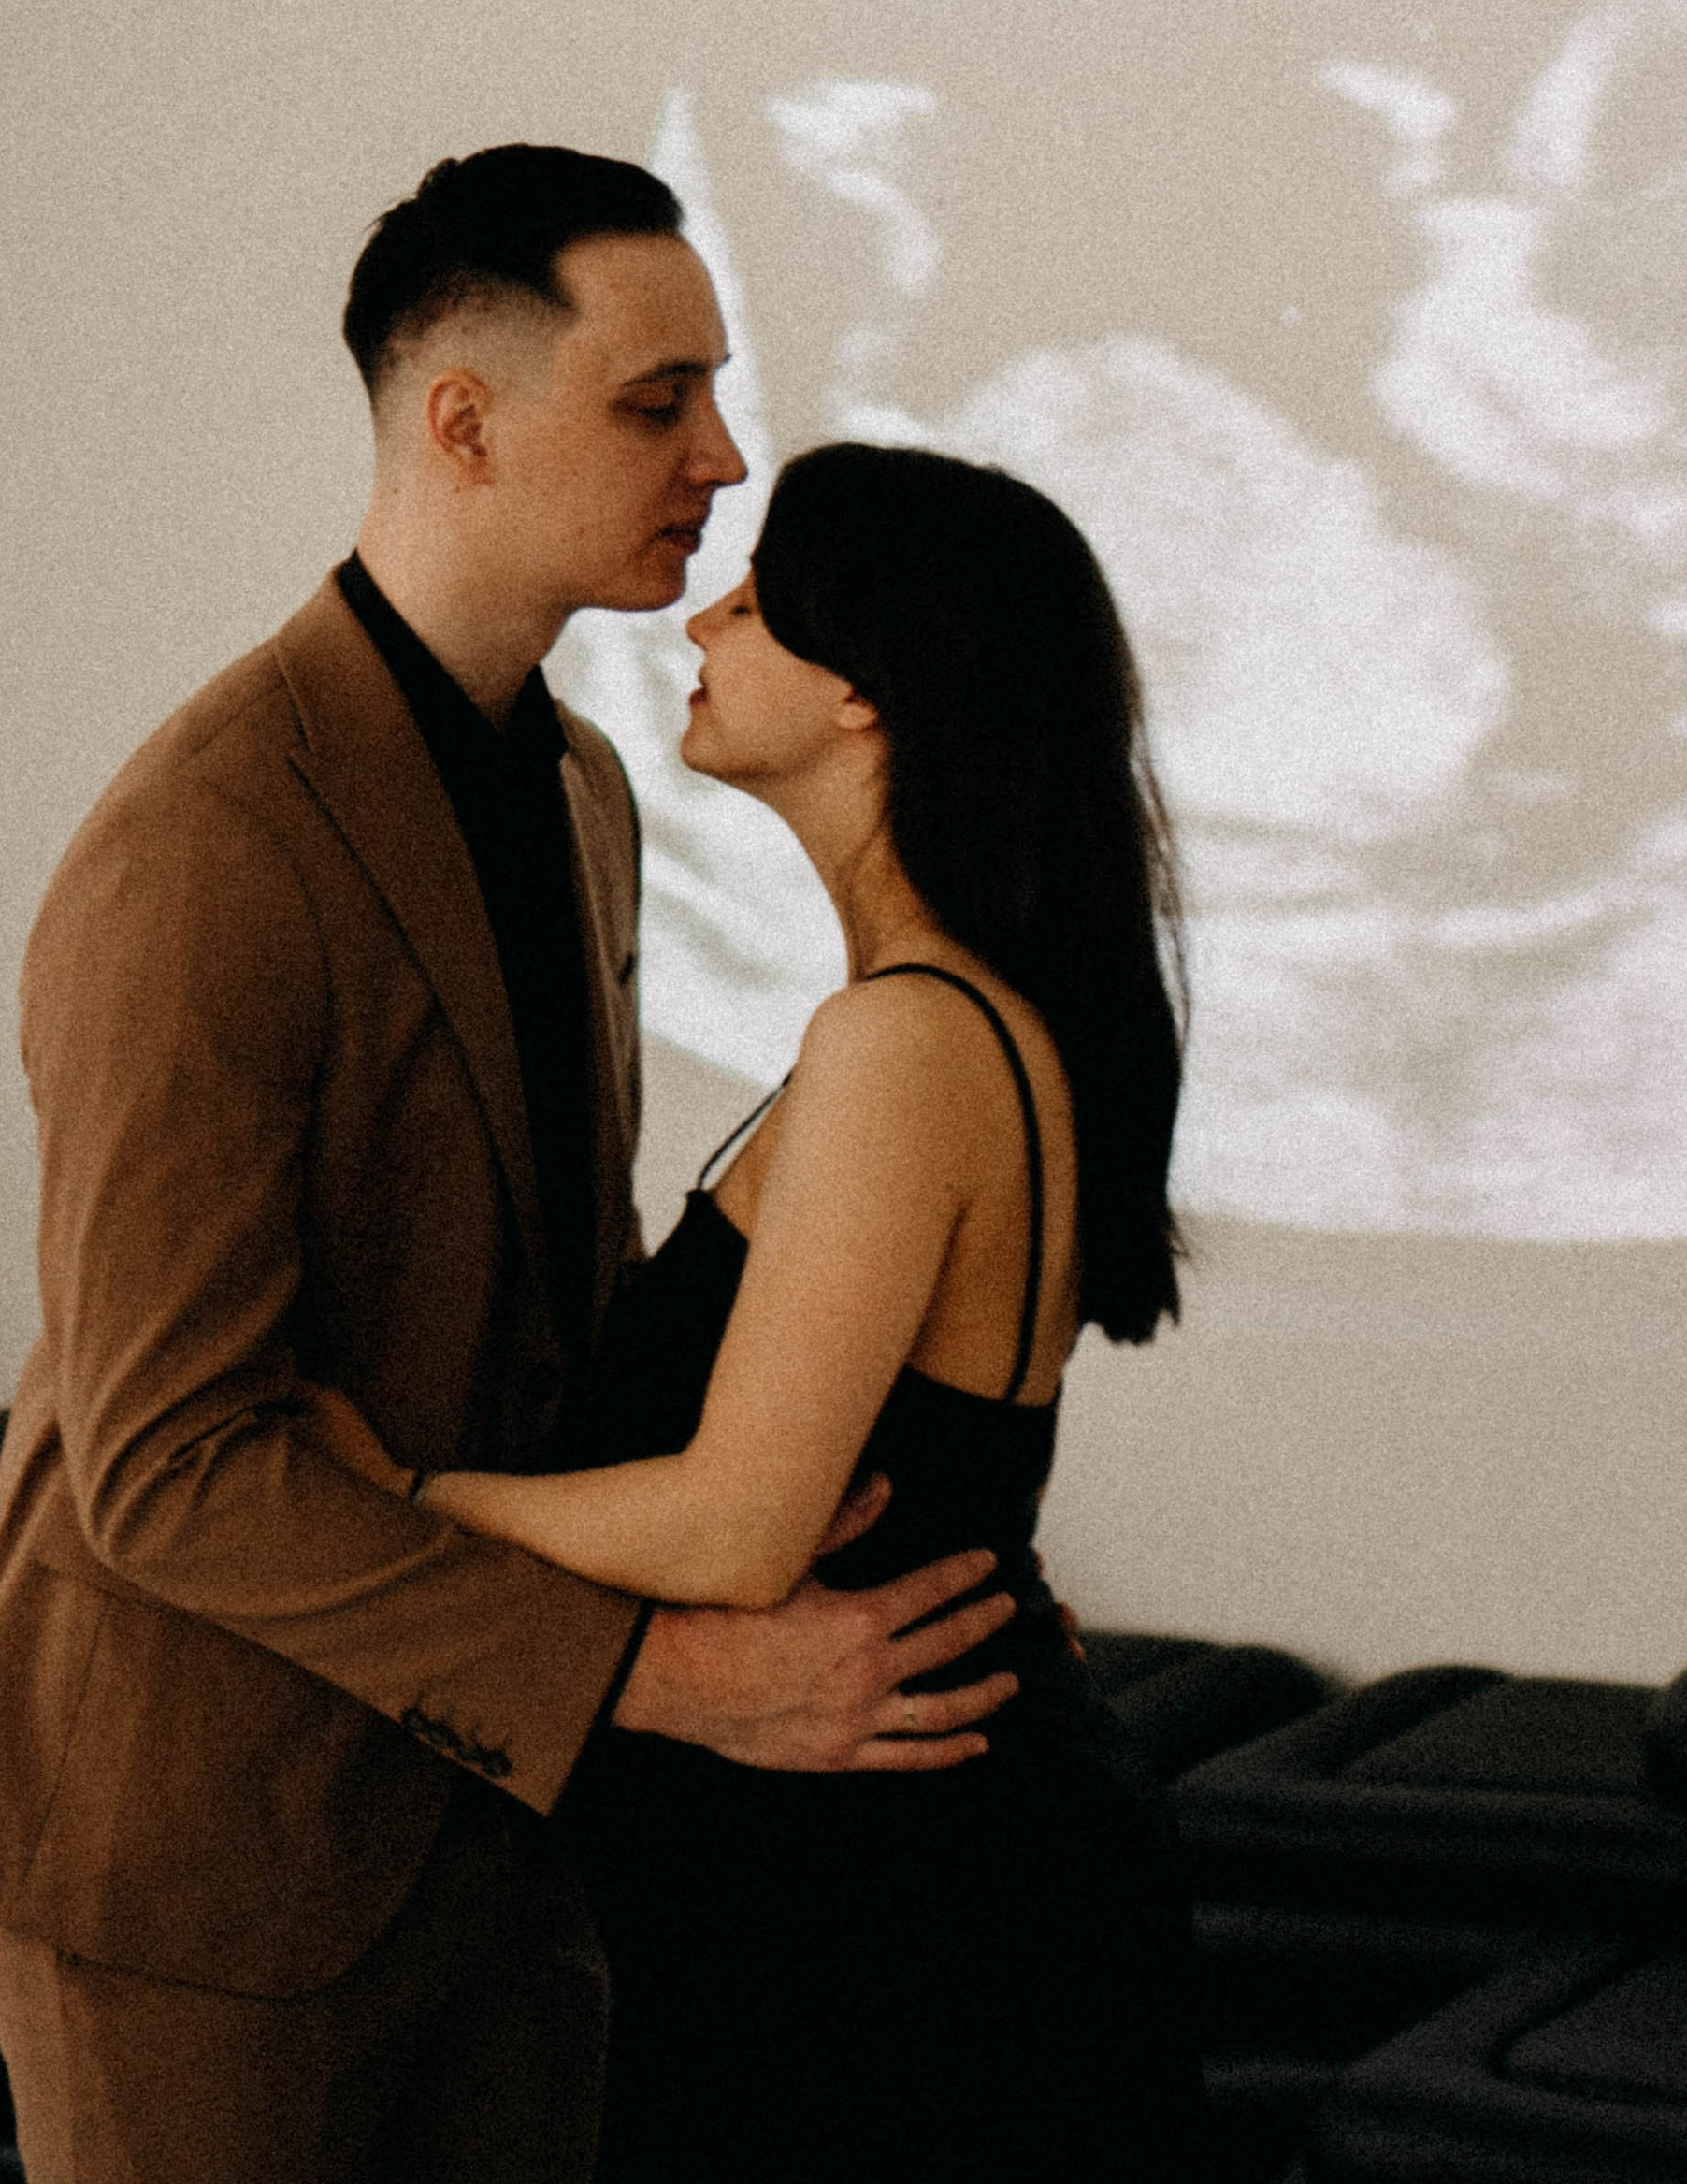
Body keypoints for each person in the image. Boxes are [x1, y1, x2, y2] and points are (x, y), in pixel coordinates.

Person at [0, 148, 1026, 2184]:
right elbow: (166, 1467)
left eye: (714, 394)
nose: (722, 454)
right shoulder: (205, 847)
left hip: (500, 1848)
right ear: (461, 424)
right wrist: (662, 1680)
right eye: (654, 400)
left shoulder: (588, 790)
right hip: (200, 1861)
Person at [301, 437, 1210, 2182]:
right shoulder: (940, 1023)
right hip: (894, 1883)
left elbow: (734, 1528)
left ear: (871, 694)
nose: (710, 611)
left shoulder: (906, 1042)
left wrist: (392, 1502)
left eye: (765, 594)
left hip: (902, 1921)